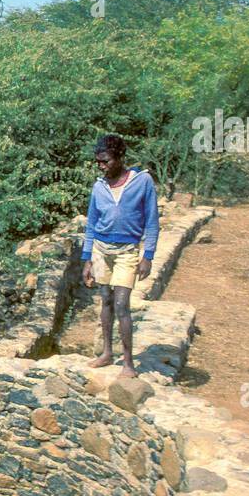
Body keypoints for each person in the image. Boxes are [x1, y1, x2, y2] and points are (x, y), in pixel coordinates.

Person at [80, 134, 160, 379]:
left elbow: (152, 221)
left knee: (122, 304)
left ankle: (128, 362)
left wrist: (148, 255)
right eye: (98, 162)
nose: (101, 166)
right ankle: (106, 353)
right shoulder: (98, 186)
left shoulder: (142, 181)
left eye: (105, 161)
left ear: (120, 158)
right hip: (102, 250)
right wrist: (87, 259)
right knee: (105, 300)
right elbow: (92, 224)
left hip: (127, 252)